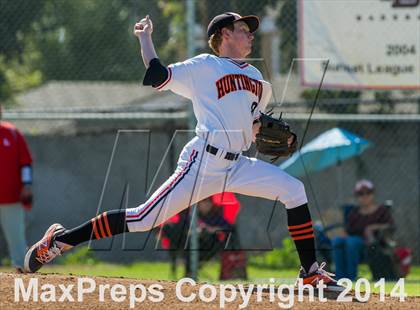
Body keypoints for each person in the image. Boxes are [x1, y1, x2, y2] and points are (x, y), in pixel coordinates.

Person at [24, 12, 342, 291]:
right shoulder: (204, 66)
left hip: (239, 165)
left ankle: (310, 273)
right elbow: (158, 76)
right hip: (203, 161)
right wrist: (145, 39)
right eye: (244, 29)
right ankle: (58, 241)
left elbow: (254, 122)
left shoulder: (258, 79)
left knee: (294, 190)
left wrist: (269, 134)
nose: (250, 34)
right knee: (144, 218)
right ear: (225, 35)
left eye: (250, 30)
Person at [332, 180, 394, 280]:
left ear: (373, 194)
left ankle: (351, 278)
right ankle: (340, 278)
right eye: (361, 193)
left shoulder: (381, 210)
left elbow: (390, 226)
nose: (365, 196)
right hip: (352, 242)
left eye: (368, 192)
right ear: (357, 196)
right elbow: (347, 230)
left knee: (352, 242)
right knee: (337, 241)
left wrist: (372, 227)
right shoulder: (354, 212)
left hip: (372, 244)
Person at [0, 104, 33, 272]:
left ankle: (21, 267)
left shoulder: (12, 133)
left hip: (10, 197)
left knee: (16, 236)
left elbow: (25, 163)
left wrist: (27, 185)